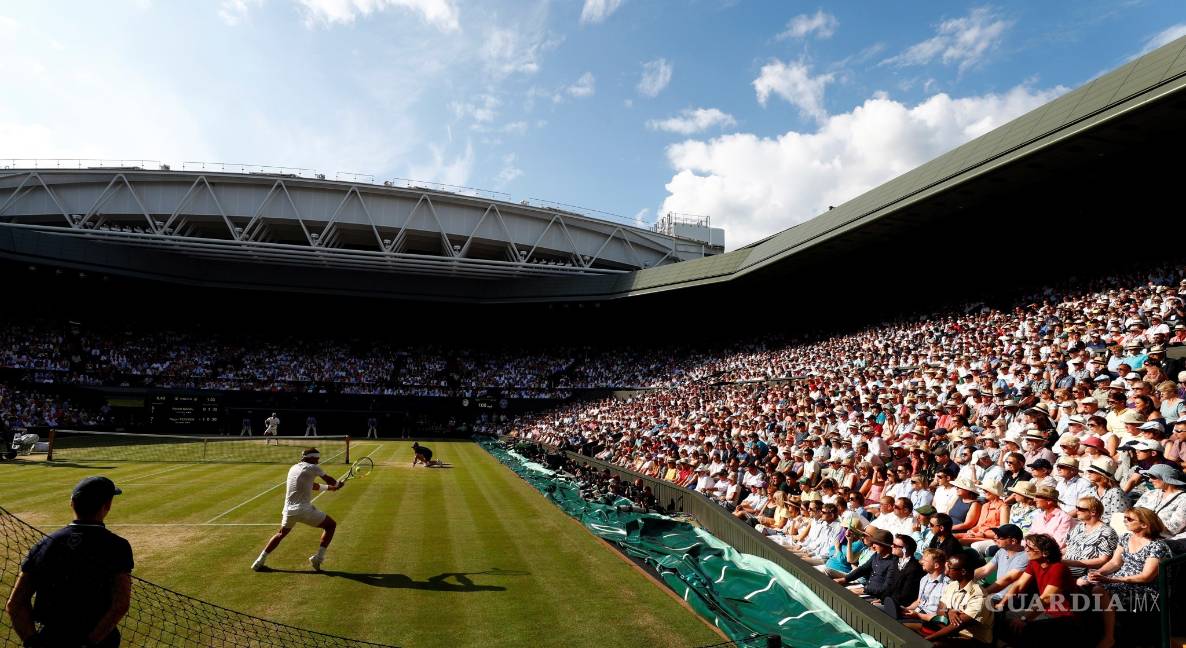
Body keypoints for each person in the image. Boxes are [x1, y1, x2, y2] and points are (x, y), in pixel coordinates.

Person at [6, 477, 132, 647]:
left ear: (72, 503)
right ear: (107, 506)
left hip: (51, 638)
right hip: (100, 640)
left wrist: (34, 643)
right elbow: (121, 603)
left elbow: (15, 604)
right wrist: (89, 643)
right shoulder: (117, 546)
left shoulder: (44, 544)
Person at [1086, 507, 1172, 648]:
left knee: (1098, 591)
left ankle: (1109, 637)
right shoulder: (1126, 538)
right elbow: (1115, 562)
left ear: (1144, 524)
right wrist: (1099, 573)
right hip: (1120, 580)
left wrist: (1110, 580)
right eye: (1125, 517)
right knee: (1083, 583)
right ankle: (1096, 631)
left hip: (1146, 589)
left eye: (1129, 519)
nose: (1125, 521)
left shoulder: (1157, 546)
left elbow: (1146, 577)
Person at [252, 447, 341, 572]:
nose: (318, 461)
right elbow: (330, 480)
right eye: (317, 458)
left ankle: (259, 561)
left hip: (288, 511)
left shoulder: (293, 468)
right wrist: (336, 485)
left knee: (281, 534)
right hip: (304, 510)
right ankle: (318, 558)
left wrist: (329, 488)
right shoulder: (313, 468)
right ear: (311, 458)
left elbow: (312, 485)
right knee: (331, 525)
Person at [998, 533, 1079, 645]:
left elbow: (1046, 598)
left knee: (1020, 626)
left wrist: (1023, 618)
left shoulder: (1058, 568)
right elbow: (1018, 585)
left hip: (1063, 616)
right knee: (999, 617)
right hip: (1045, 611)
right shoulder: (1034, 563)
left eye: (1030, 547)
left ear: (1045, 553)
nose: (1025, 549)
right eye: (1025, 545)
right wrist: (1001, 604)